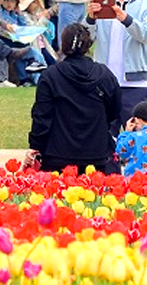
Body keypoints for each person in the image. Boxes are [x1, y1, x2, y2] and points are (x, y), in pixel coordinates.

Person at [27, 23, 121, 174]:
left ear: (63, 44)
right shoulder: (104, 75)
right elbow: (115, 110)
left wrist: (35, 145)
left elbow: (42, 116)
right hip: (96, 154)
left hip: (57, 154)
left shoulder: (51, 76)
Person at [86, 0, 147, 135]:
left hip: (134, 83)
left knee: (136, 136)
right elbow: (86, 38)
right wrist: (90, 18)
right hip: (104, 81)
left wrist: (126, 19)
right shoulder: (101, 5)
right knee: (103, 135)